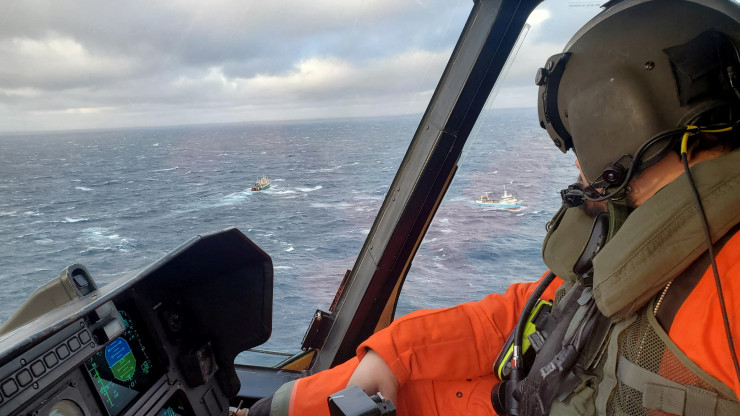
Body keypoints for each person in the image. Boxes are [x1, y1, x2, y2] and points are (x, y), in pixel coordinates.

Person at [246, 0, 740, 414]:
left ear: (617, 119)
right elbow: (531, 313)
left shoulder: (727, 291)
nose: (577, 167)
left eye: (578, 139)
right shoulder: (631, 231)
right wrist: (393, 354)